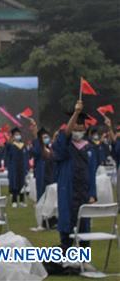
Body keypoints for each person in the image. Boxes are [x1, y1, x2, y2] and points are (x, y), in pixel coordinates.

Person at [52, 101, 98, 252]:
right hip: (68, 190)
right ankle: (65, 254)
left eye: (81, 126)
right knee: (67, 222)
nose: (78, 129)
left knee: (84, 224)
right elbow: (65, 135)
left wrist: (92, 194)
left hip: (84, 192)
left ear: (85, 128)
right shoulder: (64, 144)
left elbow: (92, 173)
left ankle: (83, 258)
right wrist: (76, 113)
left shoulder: (89, 147)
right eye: (75, 127)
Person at [29, 120, 54, 202]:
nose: (46, 139)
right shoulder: (39, 149)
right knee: (41, 195)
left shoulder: (51, 149)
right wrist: (35, 127)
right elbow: (36, 138)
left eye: (47, 137)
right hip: (42, 175)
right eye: (44, 137)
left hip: (51, 175)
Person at [4, 127, 28, 207]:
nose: (18, 136)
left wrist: (26, 167)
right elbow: (7, 154)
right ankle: (14, 201)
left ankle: (21, 201)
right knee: (14, 183)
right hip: (14, 168)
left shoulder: (23, 145)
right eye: (16, 135)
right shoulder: (11, 146)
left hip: (22, 168)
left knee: (22, 184)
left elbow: (26, 157)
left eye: (19, 134)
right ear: (13, 137)